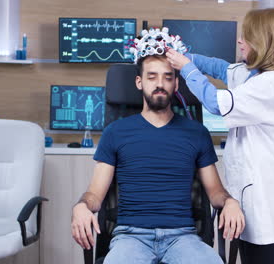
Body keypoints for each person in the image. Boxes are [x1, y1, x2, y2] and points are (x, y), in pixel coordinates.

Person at [71, 52, 245, 264]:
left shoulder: (197, 133)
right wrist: (81, 206)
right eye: (152, 77)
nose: (160, 83)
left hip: (183, 238)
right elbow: (95, 195)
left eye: (168, 77)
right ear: (139, 82)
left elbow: (216, 192)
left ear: (176, 84)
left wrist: (230, 202)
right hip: (131, 237)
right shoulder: (115, 132)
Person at [166, 8, 274, 264]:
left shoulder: (271, 83)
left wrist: (186, 69)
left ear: (265, 42)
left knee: (258, 257)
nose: (240, 41)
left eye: (247, 36)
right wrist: (185, 56)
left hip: (261, 192)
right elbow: (221, 68)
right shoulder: (254, 73)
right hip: (244, 187)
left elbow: (216, 104)